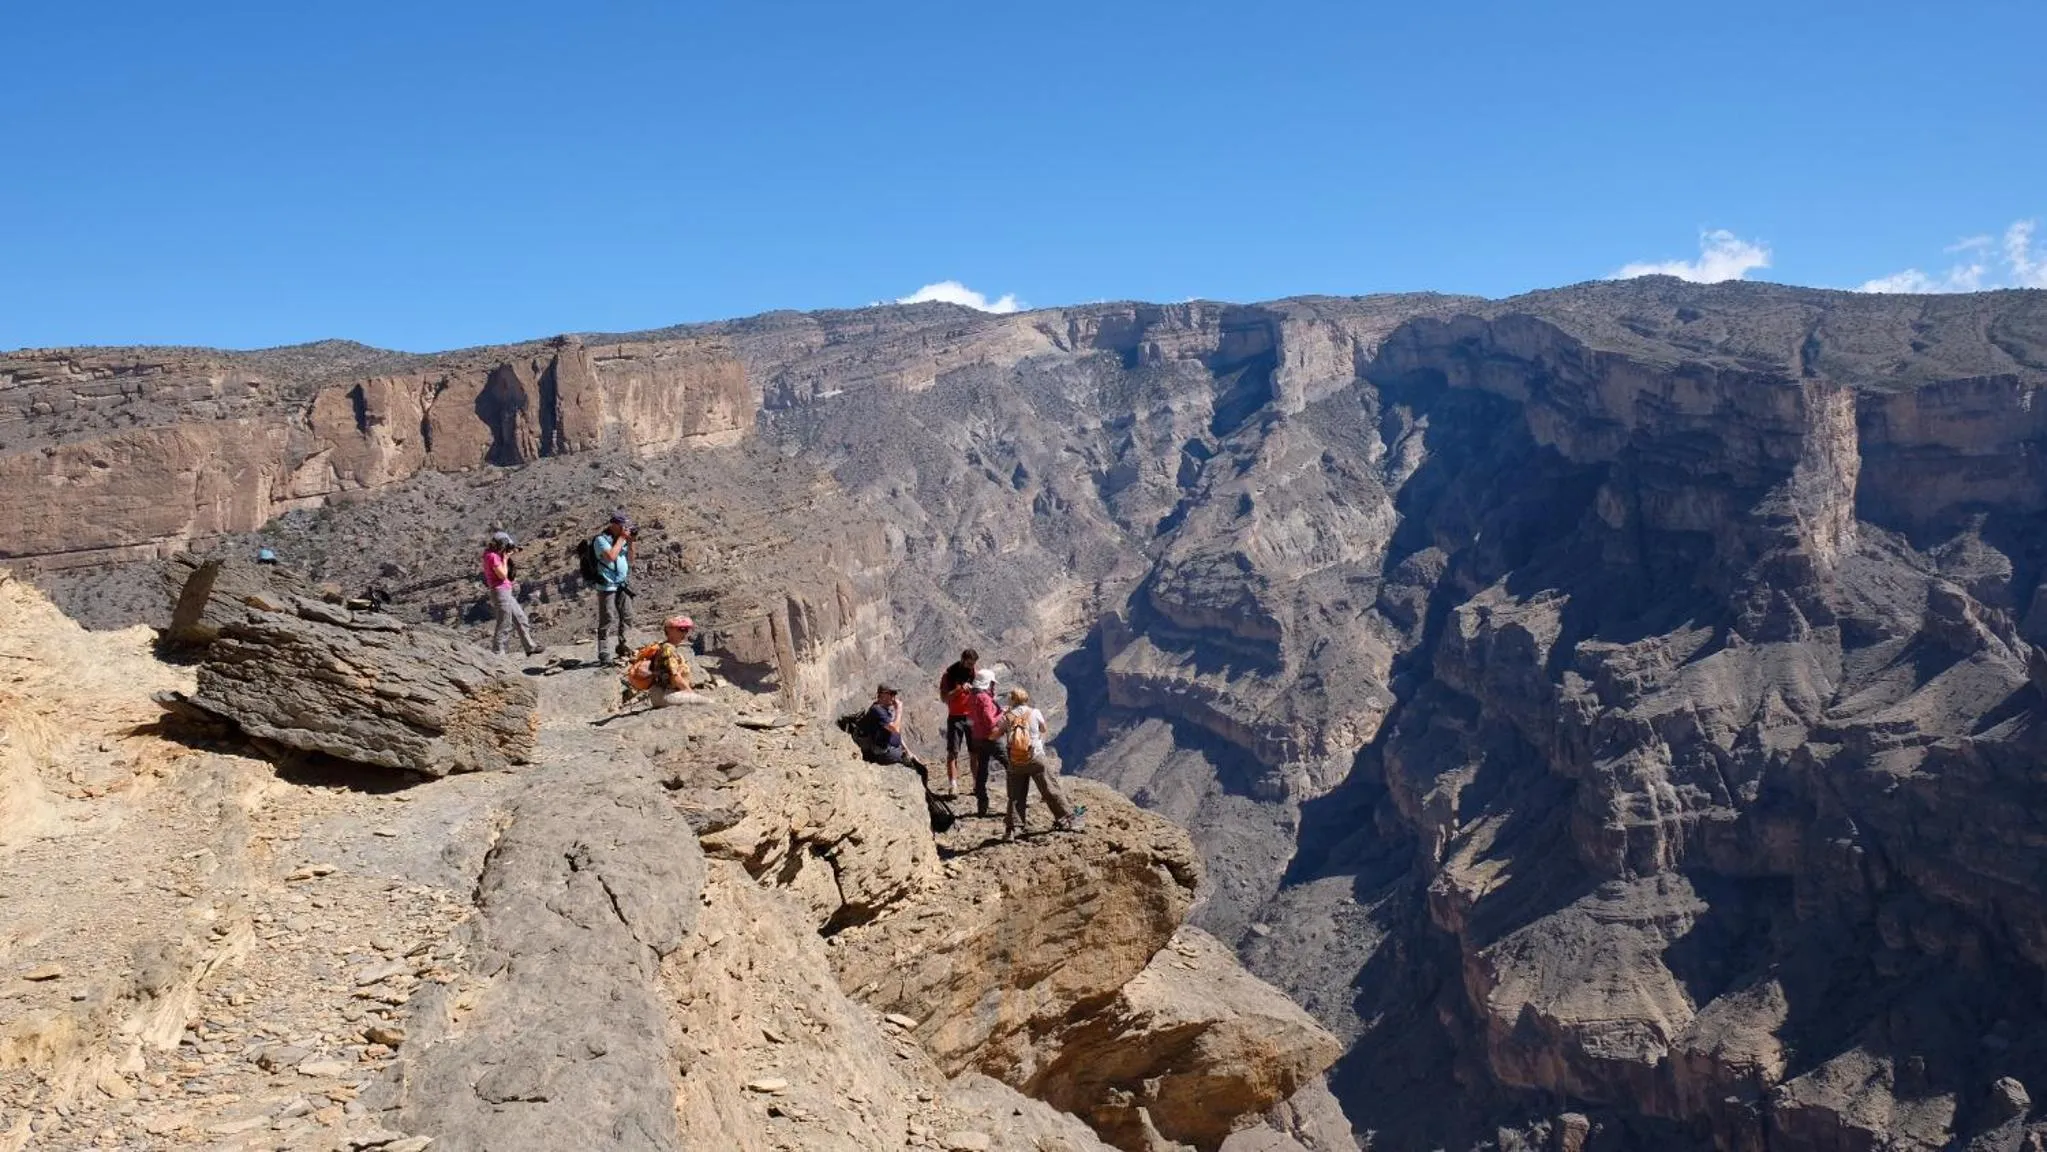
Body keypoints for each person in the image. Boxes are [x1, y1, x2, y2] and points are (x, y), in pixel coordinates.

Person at [995, 687, 1082, 839]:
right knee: (1050, 789)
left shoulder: (1007, 716)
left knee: (1015, 795)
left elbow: (994, 735)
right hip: (1035, 757)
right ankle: (1068, 819)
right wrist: (1039, 742)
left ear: (1012, 700)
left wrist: (1003, 718)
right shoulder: (1035, 712)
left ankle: (1013, 829)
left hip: (1016, 761)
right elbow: (1043, 728)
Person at [623, 616, 708, 708]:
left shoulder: (665, 646)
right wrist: (690, 693)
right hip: (666, 694)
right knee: (706, 704)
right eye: (682, 629)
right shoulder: (668, 648)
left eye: (687, 630)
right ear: (670, 630)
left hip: (661, 694)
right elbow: (675, 676)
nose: (685, 633)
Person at [482, 531, 543, 657]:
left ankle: (530, 646)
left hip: (506, 591)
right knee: (504, 622)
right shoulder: (492, 556)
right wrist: (505, 558)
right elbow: (502, 574)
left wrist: (508, 553)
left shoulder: (494, 553)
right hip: (500, 592)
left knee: (521, 618)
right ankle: (498, 652)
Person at [861, 684, 931, 787]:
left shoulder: (885, 709)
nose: (894, 697)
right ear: (881, 695)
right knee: (917, 771)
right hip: (885, 752)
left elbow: (896, 733)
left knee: (922, 769)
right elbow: (895, 728)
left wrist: (908, 751)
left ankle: (926, 796)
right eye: (891, 693)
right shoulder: (877, 710)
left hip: (893, 748)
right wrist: (899, 710)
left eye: (895, 694)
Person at [592, 510, 636, 665]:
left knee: (627, 615)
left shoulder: (621, 539)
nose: (625, 528)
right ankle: (603, 651)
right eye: (623, 525)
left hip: (622, 584)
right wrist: (623, 538)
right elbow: (610, 556)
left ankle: (624, 646)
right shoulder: (600, 540)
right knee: (607, 617)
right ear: (614, 525)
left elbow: (630, 561)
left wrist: (630, 543)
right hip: (606, 585)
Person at [938, 649, 980, 796]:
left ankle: (976, 784)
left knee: (974, 752)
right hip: (955, 716)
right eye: (969, 663)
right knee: (952, 752)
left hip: (971, 716)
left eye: (973, 664)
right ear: (962, 659)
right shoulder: (949, 675)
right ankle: (953, 785)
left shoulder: (974, 673)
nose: (971, 667)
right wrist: (960, 689)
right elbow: (944, 698)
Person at [963, 669, 1004, 817]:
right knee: (1011, 765)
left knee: (982, 771)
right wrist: (1001, 713)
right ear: (988, 683)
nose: (994, 686)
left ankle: (982, 803)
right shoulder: (984, 698)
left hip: (977, 738)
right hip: (991, 737)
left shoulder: (972, 696)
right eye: (992, 684)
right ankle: (1016, 800)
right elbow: (989, 721)